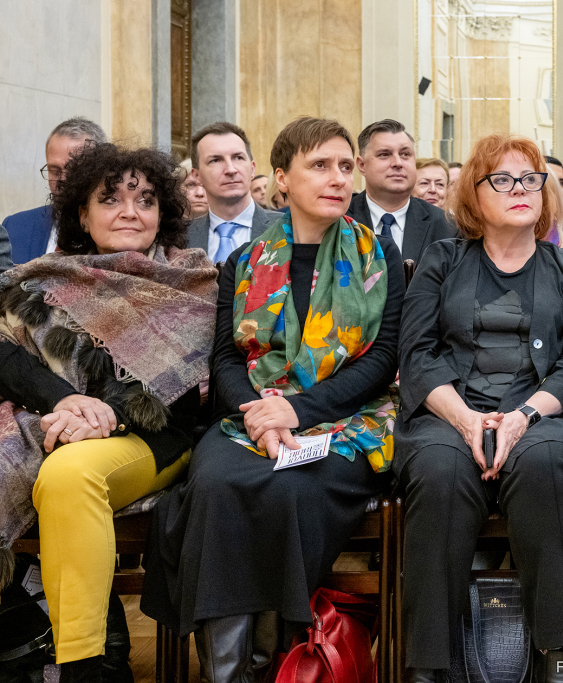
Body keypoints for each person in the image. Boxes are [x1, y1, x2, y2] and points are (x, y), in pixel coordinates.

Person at [142, 116, 404, 682]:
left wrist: (298, 411)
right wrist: (260, 416)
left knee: (286, 487)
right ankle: (228, 672)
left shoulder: (377, 258)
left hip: (349, 420)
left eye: (343, 166)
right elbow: (228, 360)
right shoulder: (244, 262)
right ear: (281, 179)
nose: (337, 179)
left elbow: (383, 359)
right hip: (250, 416)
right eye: (319, 166)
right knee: (213, 486)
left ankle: (269, 662)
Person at [396, 133, 563, 683]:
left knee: (540, 463)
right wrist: (467, 419)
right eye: (503, 179)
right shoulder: (441, 261)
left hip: (549, 418)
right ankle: (431, 666)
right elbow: (417, 354)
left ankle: (557, 661)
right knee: (440, 469)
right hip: (451, 414)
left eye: (531, 179)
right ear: (473, 194)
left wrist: (523, 417)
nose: (521, 189)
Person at [0, 142, 217, 682]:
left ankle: (84, 667)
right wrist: (65, 400)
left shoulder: (194, 281)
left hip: (156, 439)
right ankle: (27, 632)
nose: (129, 212)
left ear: (163, 212)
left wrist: (105, 415)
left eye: (145, 200)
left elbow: (183, 390)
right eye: (111, 199)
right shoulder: (44, 278)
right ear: (82, 212)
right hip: (49, 423)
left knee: (70, 474)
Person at [347, 119, 456, 264]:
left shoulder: (446, 226)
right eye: (384, 154)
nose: (398, 162)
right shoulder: (339, 220)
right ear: (361, 165)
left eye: (405, 154)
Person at [2, 117, 106, 264]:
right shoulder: (15, 227)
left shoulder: (117, 230)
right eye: (55, 171)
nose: (63, 180)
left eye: (74, 170)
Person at [186, 122, 282, 261]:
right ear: (197, 176)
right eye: (215, 160)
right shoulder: (180, 237)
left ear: (252, 169)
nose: (231, 169)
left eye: (238, 157)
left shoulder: (286, 228)